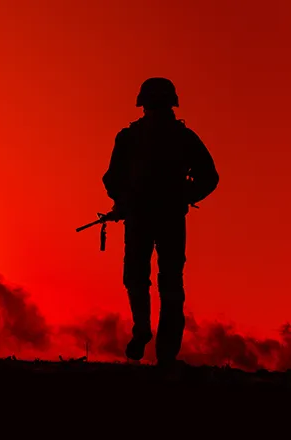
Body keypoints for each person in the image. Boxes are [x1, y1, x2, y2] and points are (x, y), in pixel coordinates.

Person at [102, 77, 219, 367]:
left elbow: (111, 179)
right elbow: (210, 177)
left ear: (143, 103)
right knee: (171, 282)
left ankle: (142, 328)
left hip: (141, 218)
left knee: (136, 278)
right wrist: (184, 195)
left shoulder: (128, 137)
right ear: (172, 103)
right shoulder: (184, 138)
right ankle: (166, 353)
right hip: (170, 219)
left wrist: (124, 200)